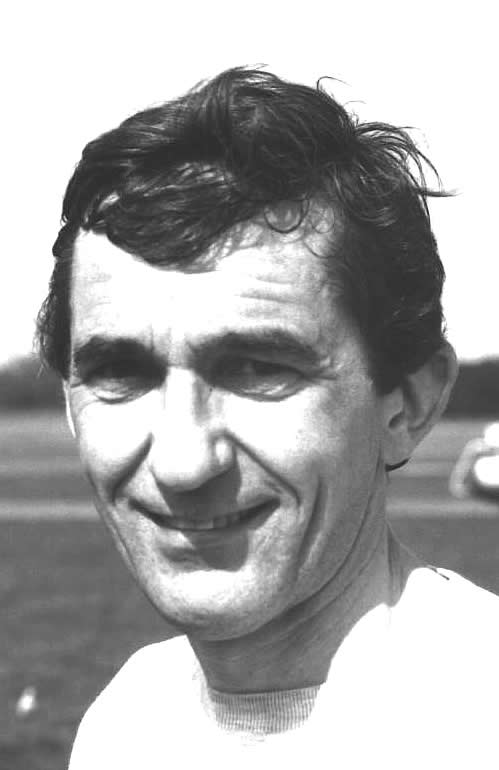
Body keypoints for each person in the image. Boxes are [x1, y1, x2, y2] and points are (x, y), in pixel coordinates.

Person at [37, 67, 499, 769]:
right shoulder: (127, 720)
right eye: (121, 374)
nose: (183, 463)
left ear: (407, 402)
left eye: (257, 369)